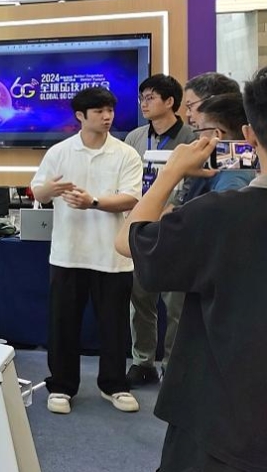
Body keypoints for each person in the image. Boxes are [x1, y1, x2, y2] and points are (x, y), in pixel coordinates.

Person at [115, 67, 267, 471]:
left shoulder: (221, 214)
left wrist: (169, 174)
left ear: (248, 135)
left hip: (223, 421)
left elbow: (129, 240)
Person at [30, 86, 143, 415]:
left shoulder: (125, 154)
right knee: (63, 324)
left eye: (110, 110)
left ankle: (114, 385)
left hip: (113, 255)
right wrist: (50, 189)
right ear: (80, 116)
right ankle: (61, 386)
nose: (107, 117)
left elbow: (131, 198)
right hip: (68, 253)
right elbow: (39, 191)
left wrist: (92, 201)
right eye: (99, 111)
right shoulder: (60, 152)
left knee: (114, 326)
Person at [122, 75, 195, 387]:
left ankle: (172, 365)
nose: (144, 103)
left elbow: (197, 184)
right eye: (142, 98)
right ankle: (143, 361)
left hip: (179, 230)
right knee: (140, 299)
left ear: (170, 102)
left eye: (150, 97)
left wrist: (175, 206)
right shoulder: (135, 137)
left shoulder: (191, 138)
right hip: (143, 228)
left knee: (176, 304)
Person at [183, 93, 257, 196]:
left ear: (216, 135)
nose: (198, 139)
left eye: (199, 130)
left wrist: (172, 173)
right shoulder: (240, 168)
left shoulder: (231, 184)